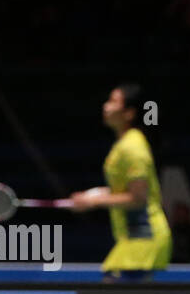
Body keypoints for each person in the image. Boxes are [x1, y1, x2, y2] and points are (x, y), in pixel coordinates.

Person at [69, 83, 171, 278]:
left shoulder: (132, 148)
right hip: (134, 236)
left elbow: (138, 197)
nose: (106, 106)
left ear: (129, 114)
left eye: (113, 102)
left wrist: (94, 202)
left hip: (143, 235)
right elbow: (123, 190)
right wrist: (93, 194)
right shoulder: (124, 144)